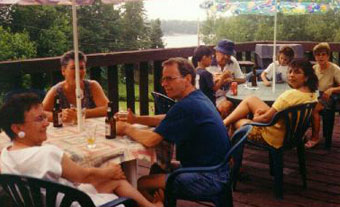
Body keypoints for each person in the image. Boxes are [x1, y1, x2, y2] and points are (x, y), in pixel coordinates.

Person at [0, 93, 161, 207]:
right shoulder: (48, 153)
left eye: (45, 117)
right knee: (114, 176)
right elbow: (84, 176)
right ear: (17, 128)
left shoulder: (6, 154)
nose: (47, 123)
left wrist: (107, 174)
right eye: (40, 119)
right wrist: (108, 172)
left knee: (114, 179)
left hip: (48, 201)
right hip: (74, 203)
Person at [116, 57, 230, 203]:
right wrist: (137, 119)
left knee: (141, 183)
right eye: (163, 79)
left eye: (169, 79)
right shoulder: (197, 97)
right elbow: (168, 118)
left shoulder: (186, 106)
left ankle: (157, 205)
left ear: (187, 79)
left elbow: (151, 140)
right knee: (158, 168)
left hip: (209, 178)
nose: (164, 84)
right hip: (216, 169)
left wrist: (126, 128)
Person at [224, 58, 318, 149]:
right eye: (290, 71)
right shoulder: (312, 94)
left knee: (235, 122)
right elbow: (276, 114)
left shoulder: (289, 95)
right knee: (251, 99)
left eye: (297, 72)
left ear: (306, 77)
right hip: (292, 133)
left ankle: (229, 154)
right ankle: (223, 124)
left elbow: (266, 119)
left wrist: (256, 117)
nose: (291, 75)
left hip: (272, 137)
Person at [43, 50, 109, 123]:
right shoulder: (57, 91)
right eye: (73, 68)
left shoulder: (92, 86)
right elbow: (42, 112)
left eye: (81, 68)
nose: (78, 71)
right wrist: (61, 115)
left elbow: (107, 108)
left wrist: (82, 113)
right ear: (63, 71)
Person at [305, 42, 340, 149]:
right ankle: (299, 135)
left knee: (314, 110)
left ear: (328, 56)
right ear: (315, 56)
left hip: (329, 96)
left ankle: (315, 137)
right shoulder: (314, 68)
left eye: (323, 54)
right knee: (299, 105)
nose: (320, 57)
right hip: (315, 95)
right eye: (318, 55)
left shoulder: (335, 69)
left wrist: (332, 90)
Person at [207, 39, 246, 118]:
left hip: (231, 96)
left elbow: (243, 80)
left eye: (228, 54)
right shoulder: (208, 64)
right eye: (223, 53)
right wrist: (221, 79)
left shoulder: (233, 61)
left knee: (246, 103)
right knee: (226, 106)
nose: (226, 57)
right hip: (213, 98)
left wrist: (232, 80)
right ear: (216, 52)